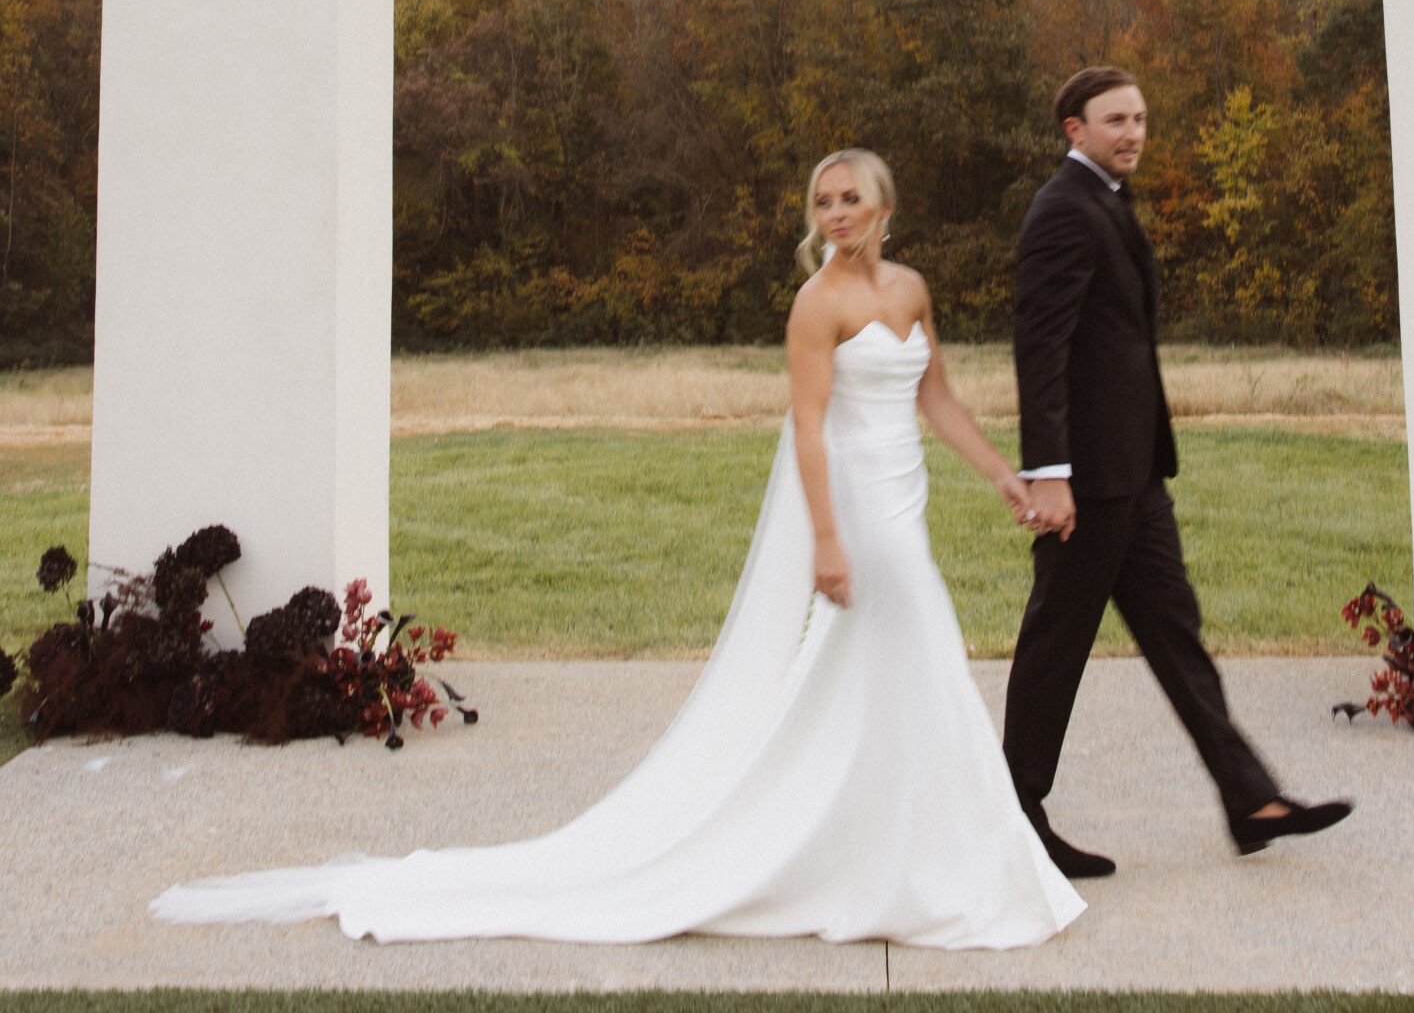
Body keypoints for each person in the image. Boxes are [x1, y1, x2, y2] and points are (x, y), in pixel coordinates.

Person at [152, 149, 1083, 950]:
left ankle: (881, 847)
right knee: (918, 648)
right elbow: (804, 429)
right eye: (822, 203)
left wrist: (1004, 476)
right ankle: (917, 861)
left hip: (906, 491)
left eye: (849, 199)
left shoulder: (911, 289)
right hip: (856, 505)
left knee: (888, 669)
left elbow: (939, 400)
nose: (835, 214)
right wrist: (827, 543)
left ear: (883, 206)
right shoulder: (817, 302)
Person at [1001, 65, 1353, 873]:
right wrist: (1048, 473)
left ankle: (1249, 798)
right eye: (1115, 119)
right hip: (1085, 484)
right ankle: (1015, 820)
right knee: (1057, 645)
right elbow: (1040, 347)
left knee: (1176, 637)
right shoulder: (1062, 209)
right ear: (1075, 130)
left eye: (1141, 118)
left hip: (1137, 477)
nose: (1132, 132)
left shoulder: (1108, 203)